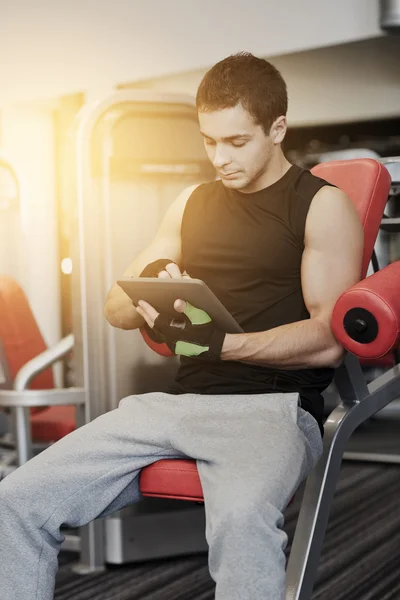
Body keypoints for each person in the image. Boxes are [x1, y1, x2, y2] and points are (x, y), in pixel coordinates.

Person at [0, 52, 364, 600]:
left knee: (241, 522)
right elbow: (115, 308)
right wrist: (153, 283)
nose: (219, 157)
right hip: (174, 406)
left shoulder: (320, 205)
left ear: (277, 128)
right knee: (17, 499)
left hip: (273, 409)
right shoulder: (191, 202)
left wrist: (224, 343)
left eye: (236, 142)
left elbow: (328, 343)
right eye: (208, 141)